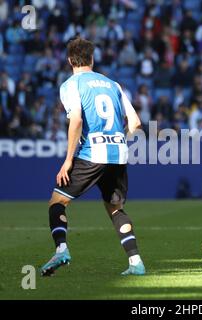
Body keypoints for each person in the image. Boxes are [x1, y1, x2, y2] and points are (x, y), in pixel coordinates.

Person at [40, 38, 145, 276]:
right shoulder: (113, 84)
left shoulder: (70, 84)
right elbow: (136, 122)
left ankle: (62, 249)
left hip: (91, 154)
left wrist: (68, 160)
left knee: (57, 202)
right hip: (118, 154)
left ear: (69, 60)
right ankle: (136, 263)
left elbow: (76, 120)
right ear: (92, 58)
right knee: (116, 209)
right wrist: (118, 141)